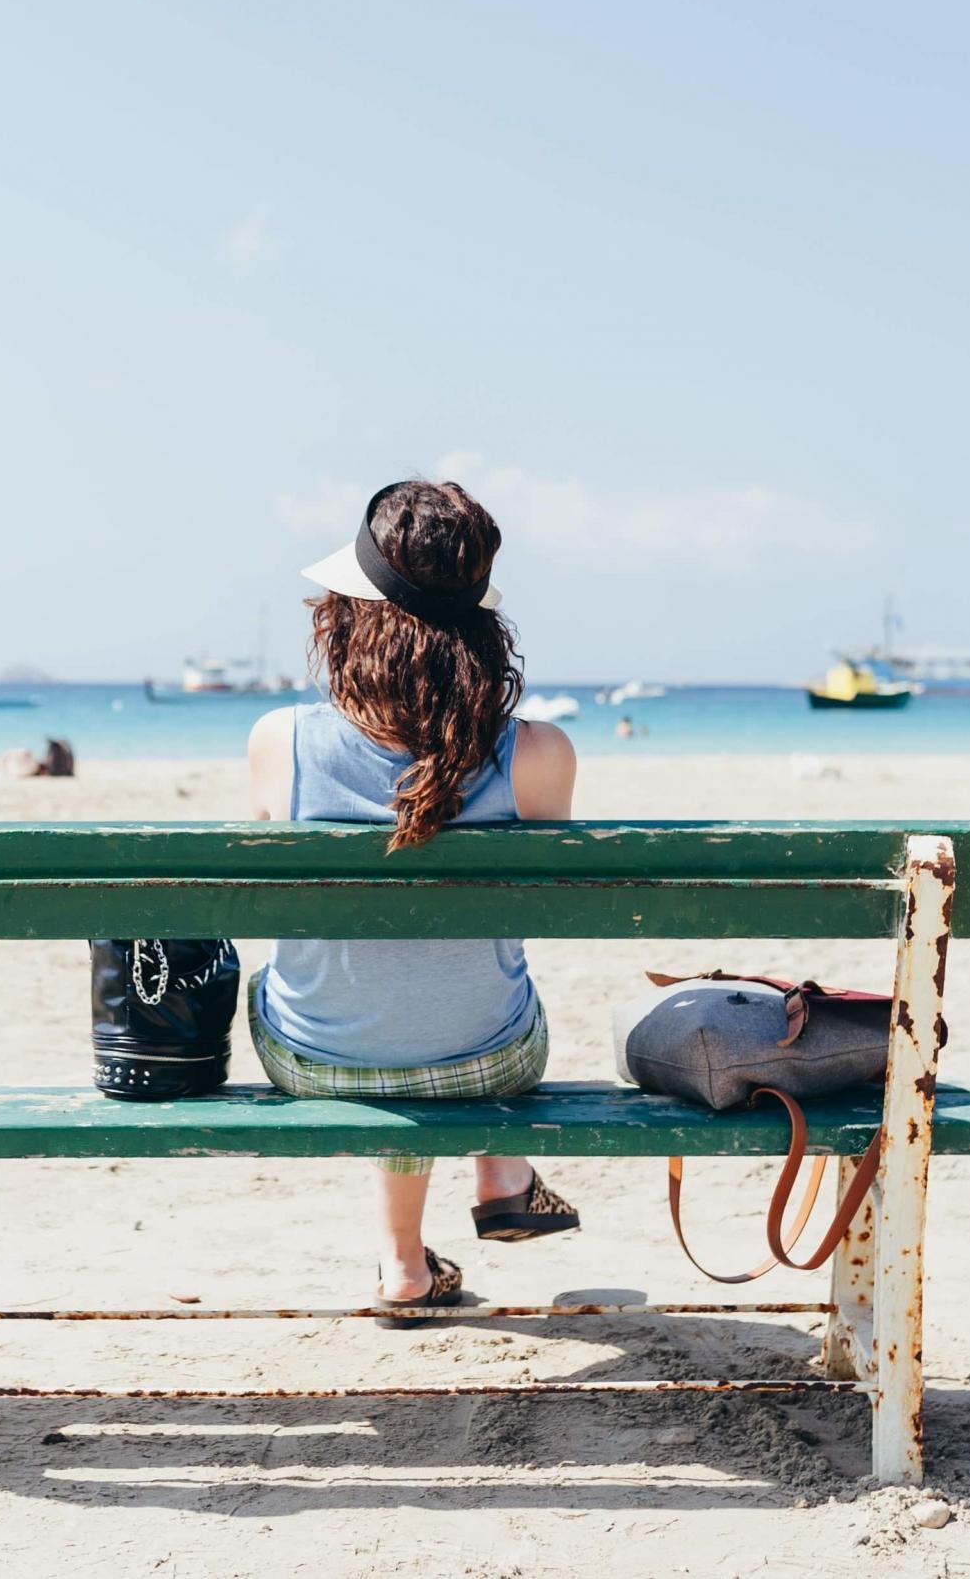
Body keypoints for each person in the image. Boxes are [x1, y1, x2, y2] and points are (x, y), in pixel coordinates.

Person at [248, 479, 580, 1323]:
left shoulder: (280, 742)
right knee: (480, 997)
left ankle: (404, 1261)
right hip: (490, 1056)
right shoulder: (537, 753)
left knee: (363, 998)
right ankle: (500, 1171)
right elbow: (541, 911)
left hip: (312, 1058)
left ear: (347, 614)